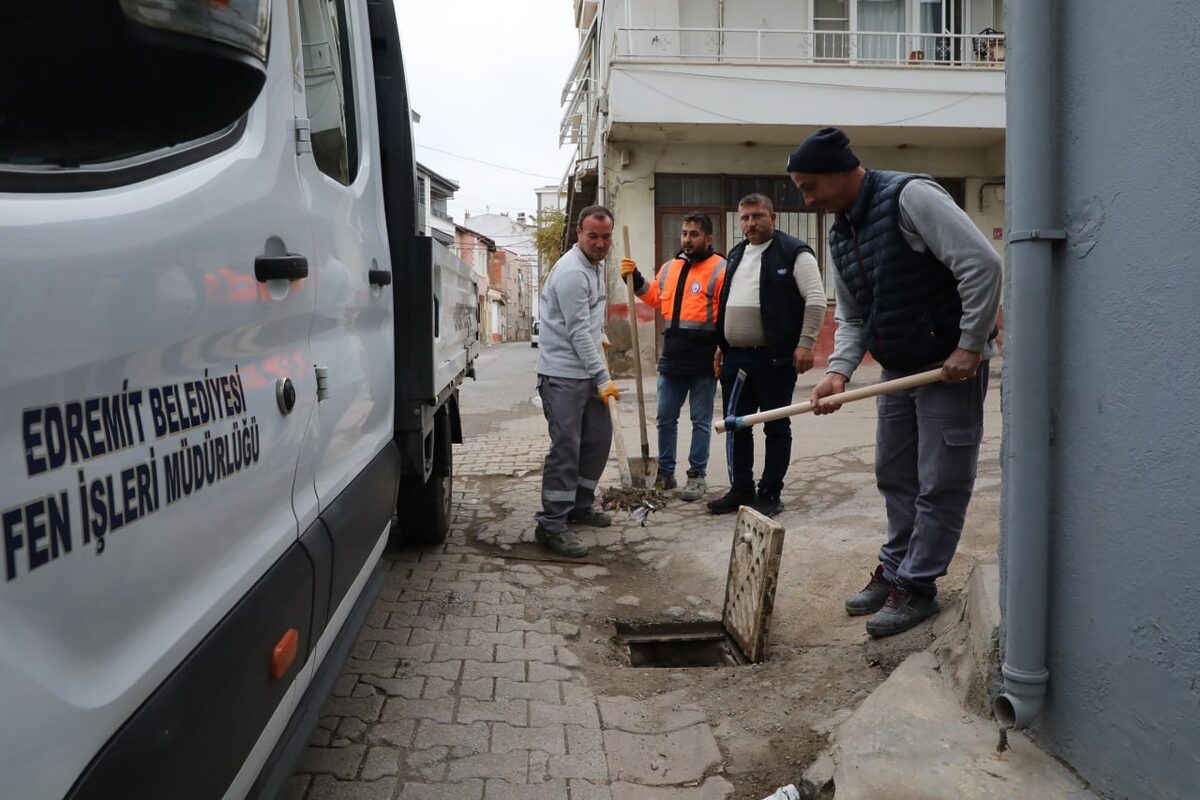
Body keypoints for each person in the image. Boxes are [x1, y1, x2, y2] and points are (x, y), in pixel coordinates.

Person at [791, 127, 1002, 637]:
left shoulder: (911, 197)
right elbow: (855, 316)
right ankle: (895, 569)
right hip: (897, 368)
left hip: (947, 367)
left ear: (844, 172)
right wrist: (837, 374)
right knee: (895, 473)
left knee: (941, 479)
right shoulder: (842, 233)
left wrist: (969, 344)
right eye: (801, 189)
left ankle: (919, 584)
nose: (808, 198)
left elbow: (982, 264)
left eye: (811, 185)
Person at [710, 194, 828, 518]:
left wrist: (805, 344)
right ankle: (741, 489)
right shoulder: (735, 254)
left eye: (757, 216)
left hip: (774, 359)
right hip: (736, 359)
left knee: (775, 427)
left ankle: (771, 492)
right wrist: (724, 343)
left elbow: (816, 300)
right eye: (745, 218)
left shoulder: (793, 252)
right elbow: (729, 302)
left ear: (772, 217)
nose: (751, 223)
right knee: (737, 426)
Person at [619, 214, 726, 501]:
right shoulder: (670, 268)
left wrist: (724, 350)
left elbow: (727, 314)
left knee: (701, 420)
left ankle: (697, 476)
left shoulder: (720, 269)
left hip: (705, 360)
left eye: (693, 234)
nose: (687, 239)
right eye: (684, 233)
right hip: (673, 358)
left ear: (708, 239)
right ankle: (666, 473)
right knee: (665, 418)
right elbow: (653, 297)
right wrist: (635, 278)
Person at [533, 205, 620, 558]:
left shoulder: (596, 267)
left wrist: (603, 341)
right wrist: (603, 375)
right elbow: (577, 331)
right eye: (593, 236)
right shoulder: (572, 272)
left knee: (598, 441)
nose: (600, 243)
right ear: (579, 235)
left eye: (606, 236)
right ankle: (551, 524)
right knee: (567, 447)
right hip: (563, 375)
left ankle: (580, 506)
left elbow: (592, 321)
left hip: (588, 372)